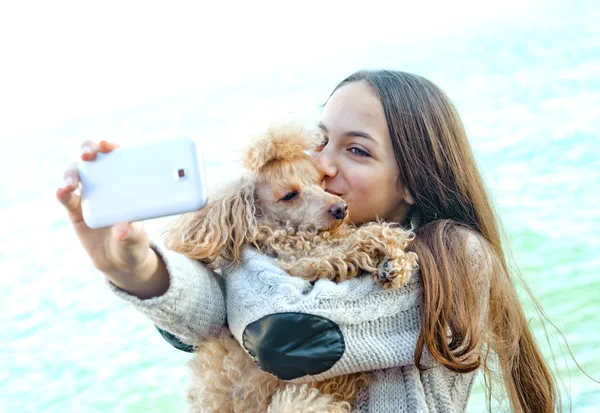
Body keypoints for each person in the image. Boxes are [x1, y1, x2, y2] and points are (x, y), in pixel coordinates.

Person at [56, 70, 560, 412]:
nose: (322, 165)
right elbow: (209, 321)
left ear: (413, 180)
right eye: (321, 141)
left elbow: (282, 335)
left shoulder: (450, 258)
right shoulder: (299, 245)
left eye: (357, 150)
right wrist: (134, 265)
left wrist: (248, 233)